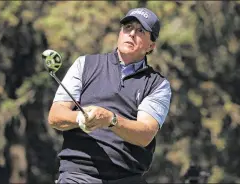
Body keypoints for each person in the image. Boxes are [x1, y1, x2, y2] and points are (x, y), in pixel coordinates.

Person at [48, 7, 172, 184]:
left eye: (140, 31)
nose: (131, 34)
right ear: (120, 33)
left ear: (151, 45)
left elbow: (144, 134)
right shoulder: (85, 65)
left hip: (127, 178)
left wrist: (110, 119)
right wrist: (81, 118)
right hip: (78, 175)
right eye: (128, 27)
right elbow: (55, 116)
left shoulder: (157, 84)